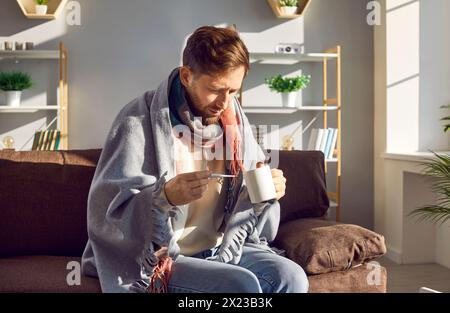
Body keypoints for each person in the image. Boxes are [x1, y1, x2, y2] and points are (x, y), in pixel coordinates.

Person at [81, 25, 309, 293]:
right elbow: (108, 213)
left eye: (234, 91)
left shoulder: (235, 121)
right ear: (187, 76)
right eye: (216, 89)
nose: (225, 102)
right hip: (161, 257)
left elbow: (252, 196)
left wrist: (269, 191)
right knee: (240, 286)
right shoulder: (137, 121)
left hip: (221, 248)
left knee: (292, 277)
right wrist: (164, 197)